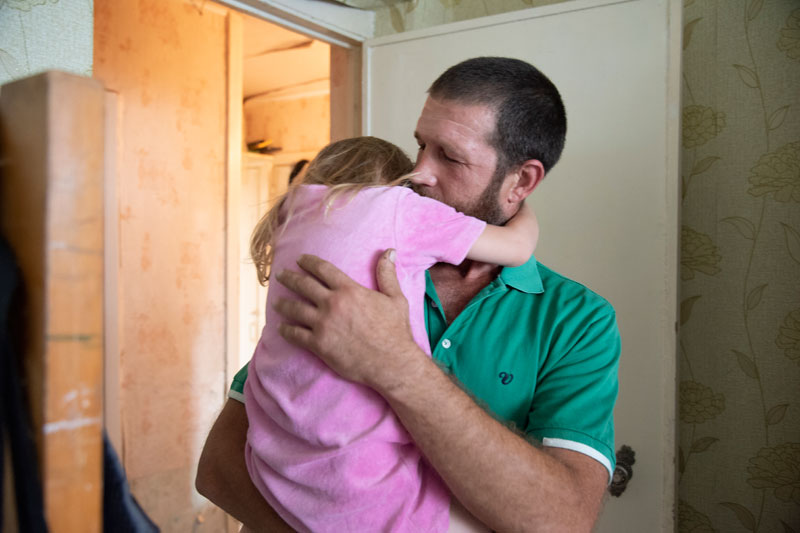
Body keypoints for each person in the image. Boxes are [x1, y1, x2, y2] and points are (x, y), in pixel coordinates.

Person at [197, 57, 621, 532]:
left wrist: (395, 363)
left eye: (450, 156)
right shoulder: (353, 268)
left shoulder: (578, 321)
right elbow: (219, 468)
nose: (417, 172)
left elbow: (561, 523)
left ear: (521, 182)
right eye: (421, 145)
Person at [244, 136, 537, 533]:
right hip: (356, 471)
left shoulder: (293, 212)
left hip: (274, 457)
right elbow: (517, 248)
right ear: (400, 187)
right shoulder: (399, 208)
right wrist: (526, 209)